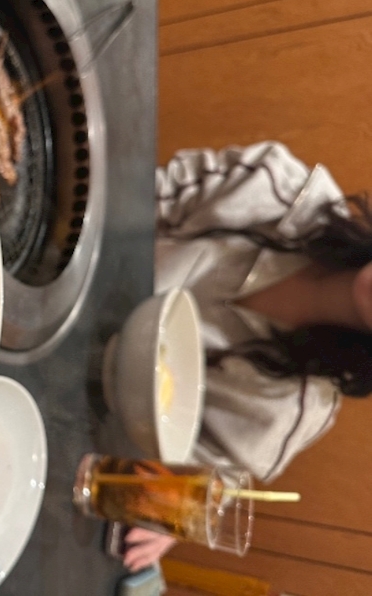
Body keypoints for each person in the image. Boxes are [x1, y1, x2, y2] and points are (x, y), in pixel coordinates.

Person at [121, 141, 372, 572]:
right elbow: (133, 199)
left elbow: (188, 473)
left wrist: (176, 509)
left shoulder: (288, 415)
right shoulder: (287, 191)